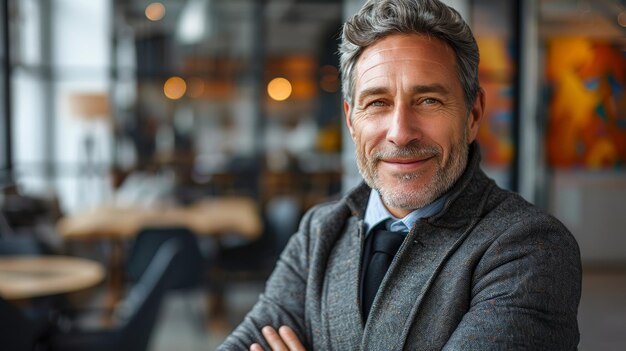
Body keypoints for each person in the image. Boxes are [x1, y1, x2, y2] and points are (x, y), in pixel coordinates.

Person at [218, 0, 582, 349]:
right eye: (377, 102)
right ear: (350, 120)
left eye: (428, 101)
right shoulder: (320, 231)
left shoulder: (530, 248)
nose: (400, 132)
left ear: (472, 115)